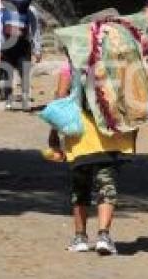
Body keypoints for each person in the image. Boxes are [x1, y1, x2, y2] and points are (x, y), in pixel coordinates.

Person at [48, 60, 136, 255]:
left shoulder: (71, 63)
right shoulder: (115, 59)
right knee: (107, 184)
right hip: (110, 134)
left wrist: (54, 132)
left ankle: (80, 237)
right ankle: (104, 235)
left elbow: (61, 97)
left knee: (80, 186)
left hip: (79, 135)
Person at [0, 0, 42, 111]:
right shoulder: (31, 10)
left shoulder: (4, 10)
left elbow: (0, 31)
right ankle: (25, 101)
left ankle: (9, 101)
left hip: (7, 45)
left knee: (8, 73)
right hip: (23, 45)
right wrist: (37, 49)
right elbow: (35, 31)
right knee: (24, 74)